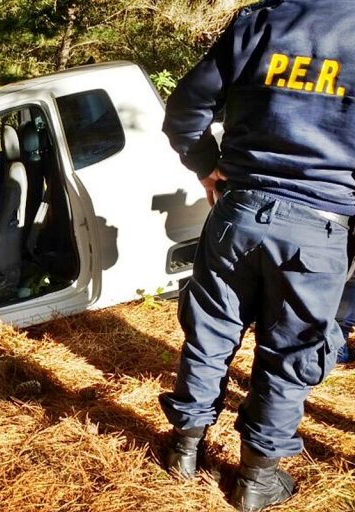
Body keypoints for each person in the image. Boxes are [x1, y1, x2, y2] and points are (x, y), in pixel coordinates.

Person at [159, 1, 355, 511]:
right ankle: (256, 480)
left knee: (210, 333)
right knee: (291, 355)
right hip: (319, 227)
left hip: (239, 212)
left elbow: (184, 110)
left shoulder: (262, 21)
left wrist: (205, 165)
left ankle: (184, 450)